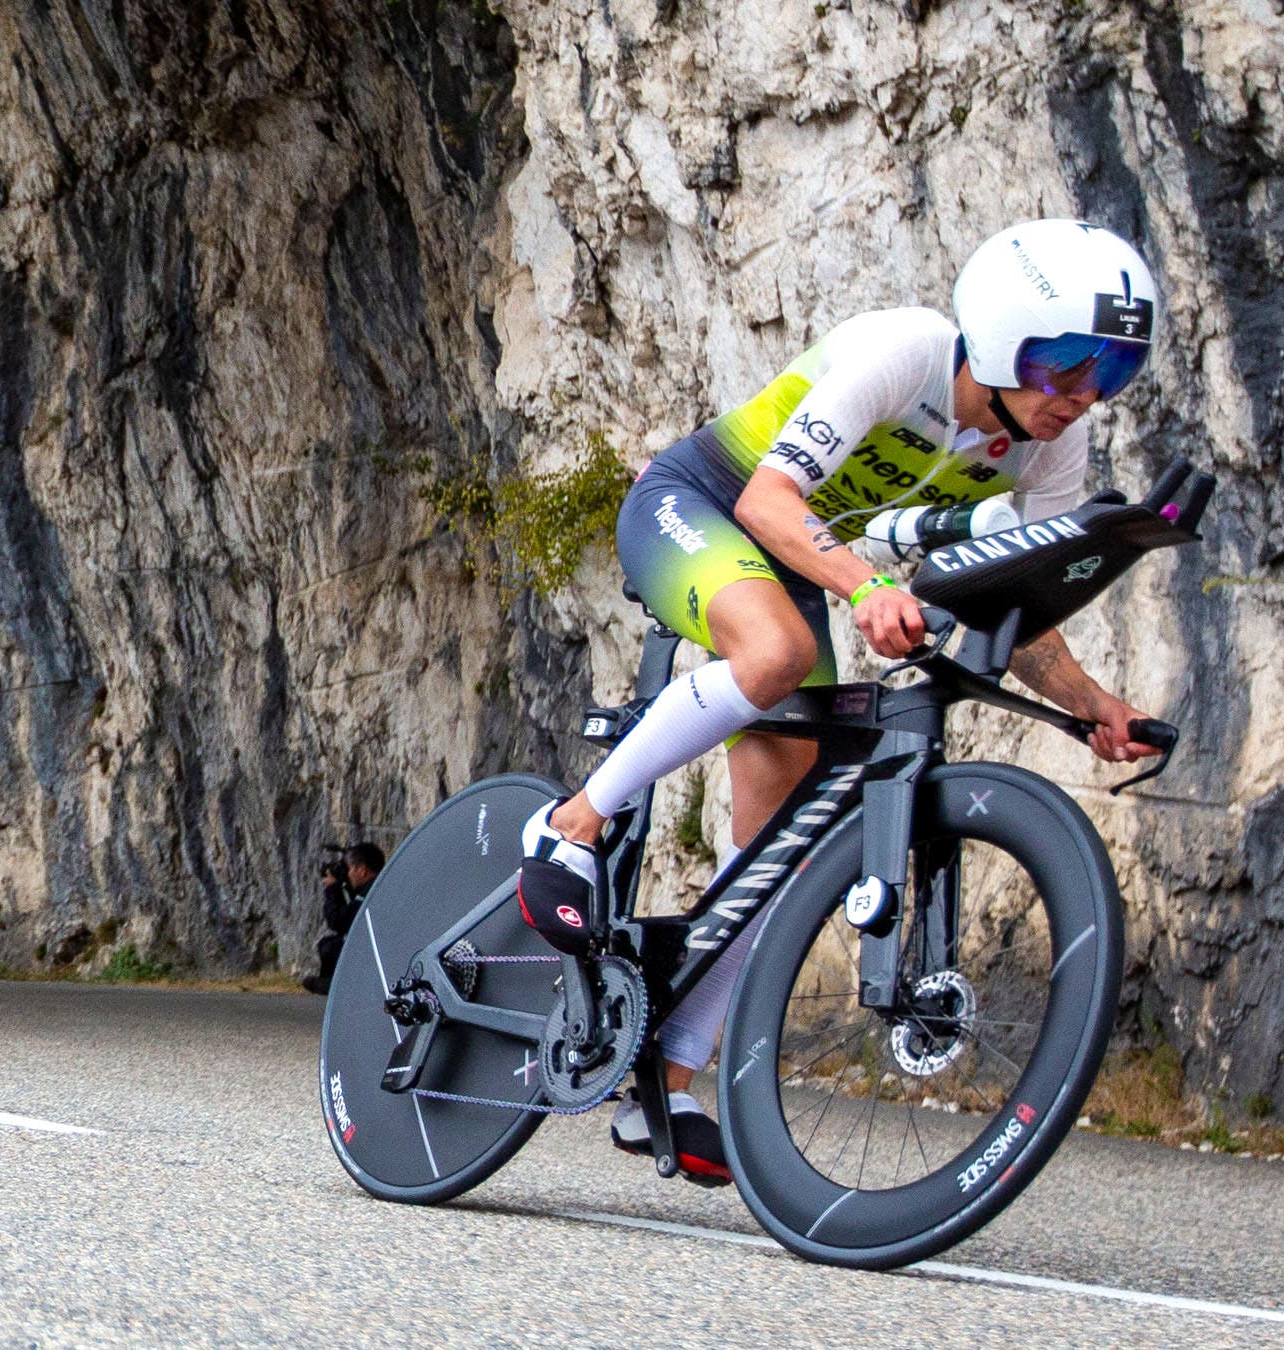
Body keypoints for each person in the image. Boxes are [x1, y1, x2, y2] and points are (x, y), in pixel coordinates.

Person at [517, 219, 1170, 1183]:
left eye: (1107, 377)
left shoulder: (1041, 454)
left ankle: (666, 1072)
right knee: (777, 652)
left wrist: (1095, 703)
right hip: (701, 502)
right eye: (1064, 364)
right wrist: (865, 589)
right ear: (997, 337)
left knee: (781, 843)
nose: (1079, 398)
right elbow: (770, 501)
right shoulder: (903, 353)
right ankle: (570, 825)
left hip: (797, 560)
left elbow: (1020, 607)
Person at [306, 841, 385, 995]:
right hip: (376, 947)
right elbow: (350, 915)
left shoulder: (370, 893)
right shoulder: (378, 886)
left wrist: (332, 889)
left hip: (372, 952)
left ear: (362, 870)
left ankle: (337, 987)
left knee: (330, 947)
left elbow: (339, 921)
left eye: (350, 869)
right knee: (329, 943)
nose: (348, 874)